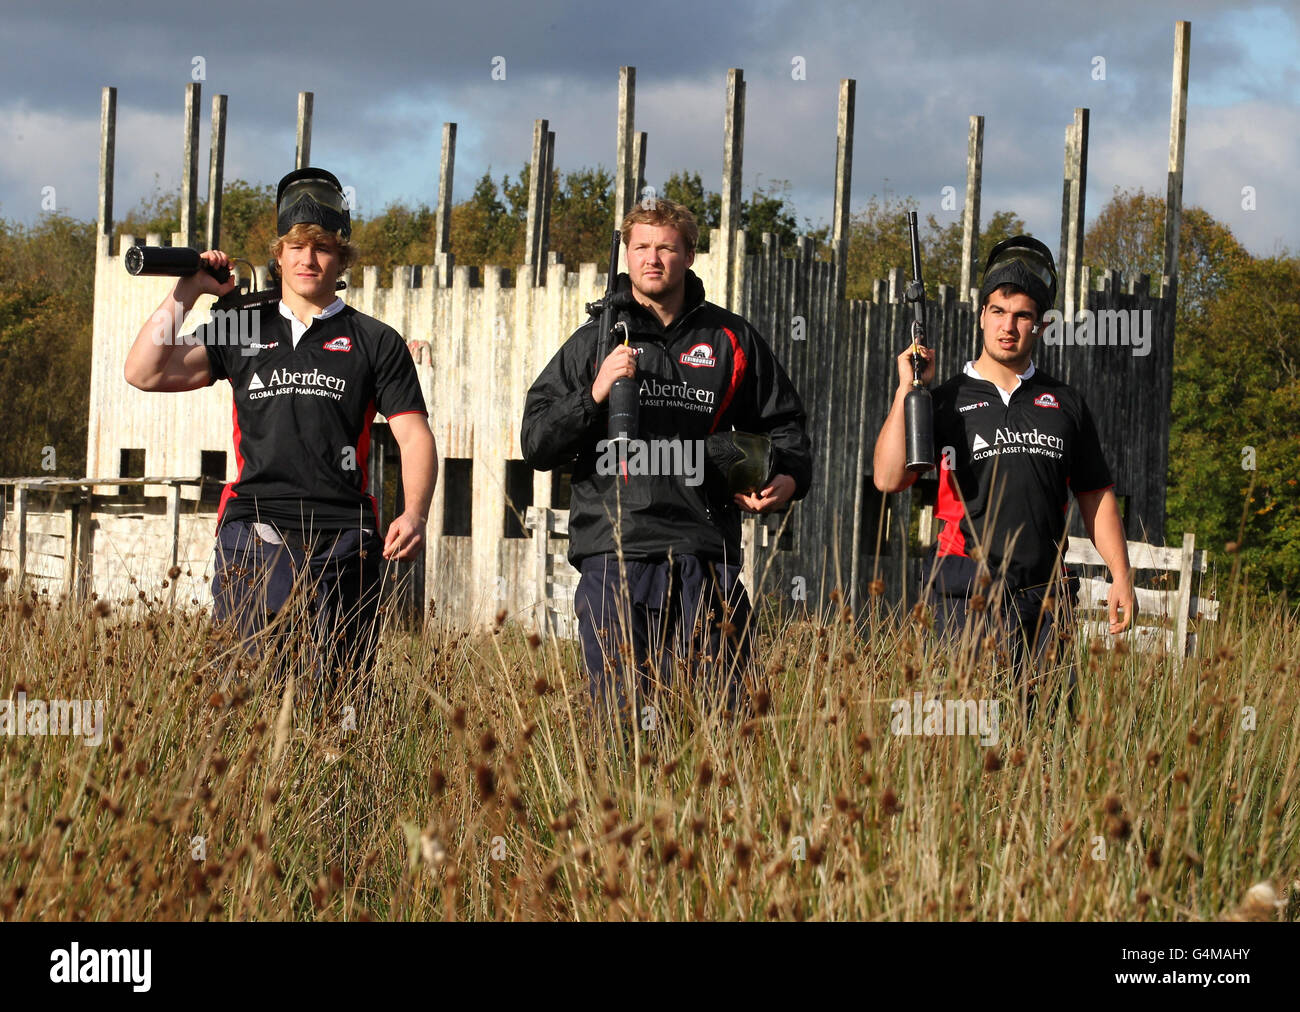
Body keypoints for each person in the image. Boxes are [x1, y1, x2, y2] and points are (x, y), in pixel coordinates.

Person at [124, 167, 437, 698]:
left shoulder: (374, 339)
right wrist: (189, 288)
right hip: (254, 529)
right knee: (244, 694)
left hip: (343, 535)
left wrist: (415, 512)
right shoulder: (244, 322)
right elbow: (145, 370)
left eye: (321, 248)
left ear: (341, 258)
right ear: (279, 254)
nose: (307, 259)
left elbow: (414, 435)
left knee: (339, 697)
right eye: (295, 246)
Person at [521, 198, 812, 729]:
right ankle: (624, 811)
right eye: (641, 248)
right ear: (626, 256)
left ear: (690, 255)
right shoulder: (594, 342)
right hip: (615, 553)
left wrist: (787, 478)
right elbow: (537, 444)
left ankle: (719, 813)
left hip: (707, 553)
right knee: (622, 724)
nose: (652, 259)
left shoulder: (732, 338)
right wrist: (595, 392)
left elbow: (788, 426)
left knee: (724, 725)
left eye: (666, 247)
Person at [872, 235, 1133, 699]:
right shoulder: (945, 399)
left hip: (1046, 598)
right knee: (968, 734)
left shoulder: (1065, 403)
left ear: (1042, 325)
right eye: (997, 311)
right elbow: (890, 478)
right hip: (965, 594)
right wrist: (908, 389)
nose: (1007, 326)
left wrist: (1121, 575)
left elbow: (1095, 495)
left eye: (1022, 315)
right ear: (982, 316)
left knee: (1046, 741)